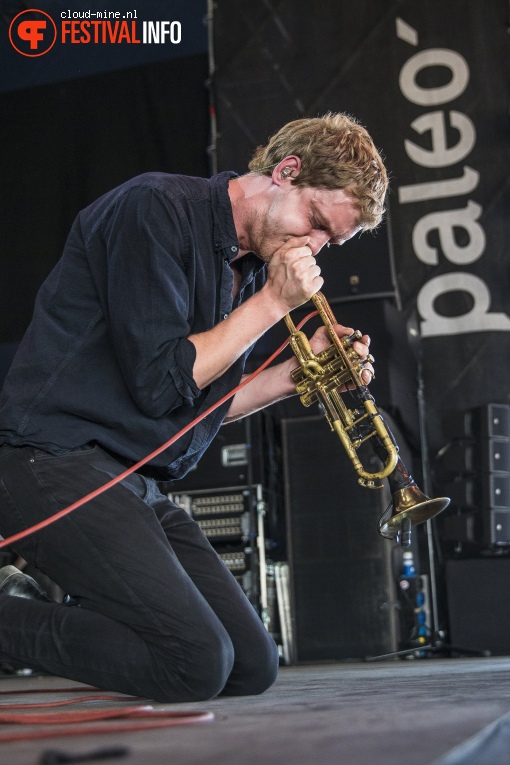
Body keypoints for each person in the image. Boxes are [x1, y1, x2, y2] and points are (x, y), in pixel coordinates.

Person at [0, 113, 387, 702]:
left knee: (251, 664)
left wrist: (292, 376)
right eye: (314, 224)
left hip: (131, 477)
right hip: (51, 459)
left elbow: (195, 405)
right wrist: (274, 306)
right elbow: (163, 382)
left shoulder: (251, 268)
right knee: (197, 663)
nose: (313, 249)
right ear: (285, 172)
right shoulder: (154, 209)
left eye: (328, 242)